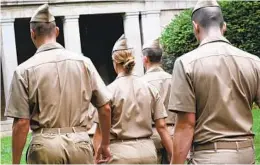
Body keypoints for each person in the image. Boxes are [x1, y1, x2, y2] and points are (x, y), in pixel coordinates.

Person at [5, 4, 112, 164]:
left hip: (45, 147)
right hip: (80, 144)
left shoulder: (23, 70)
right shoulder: (84, 63)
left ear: (32, 34)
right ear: (56, 31)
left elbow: (21, 122)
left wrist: (15, 162)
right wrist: (104, 144)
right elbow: (105, 107)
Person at [169, 0, 260, 164]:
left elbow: (185, 125)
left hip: (209, 156)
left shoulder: (186, 63)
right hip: (247, 156)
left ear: (195, 26)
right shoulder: (254, 62)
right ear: (223, 26)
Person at [93, 35, 173, 164]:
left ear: (114, 62)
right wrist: (174, 156)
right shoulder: (150, 89)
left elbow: (99, 132)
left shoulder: (108, 91)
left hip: (120, 154)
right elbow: (162, 126)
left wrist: (97, 155)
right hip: (148, 152)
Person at [141, 38, 175, 164]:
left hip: (151, 135)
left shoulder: (141, 83)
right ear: (161, 59)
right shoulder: (173, 79)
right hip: (174, 133)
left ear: (145, 59)